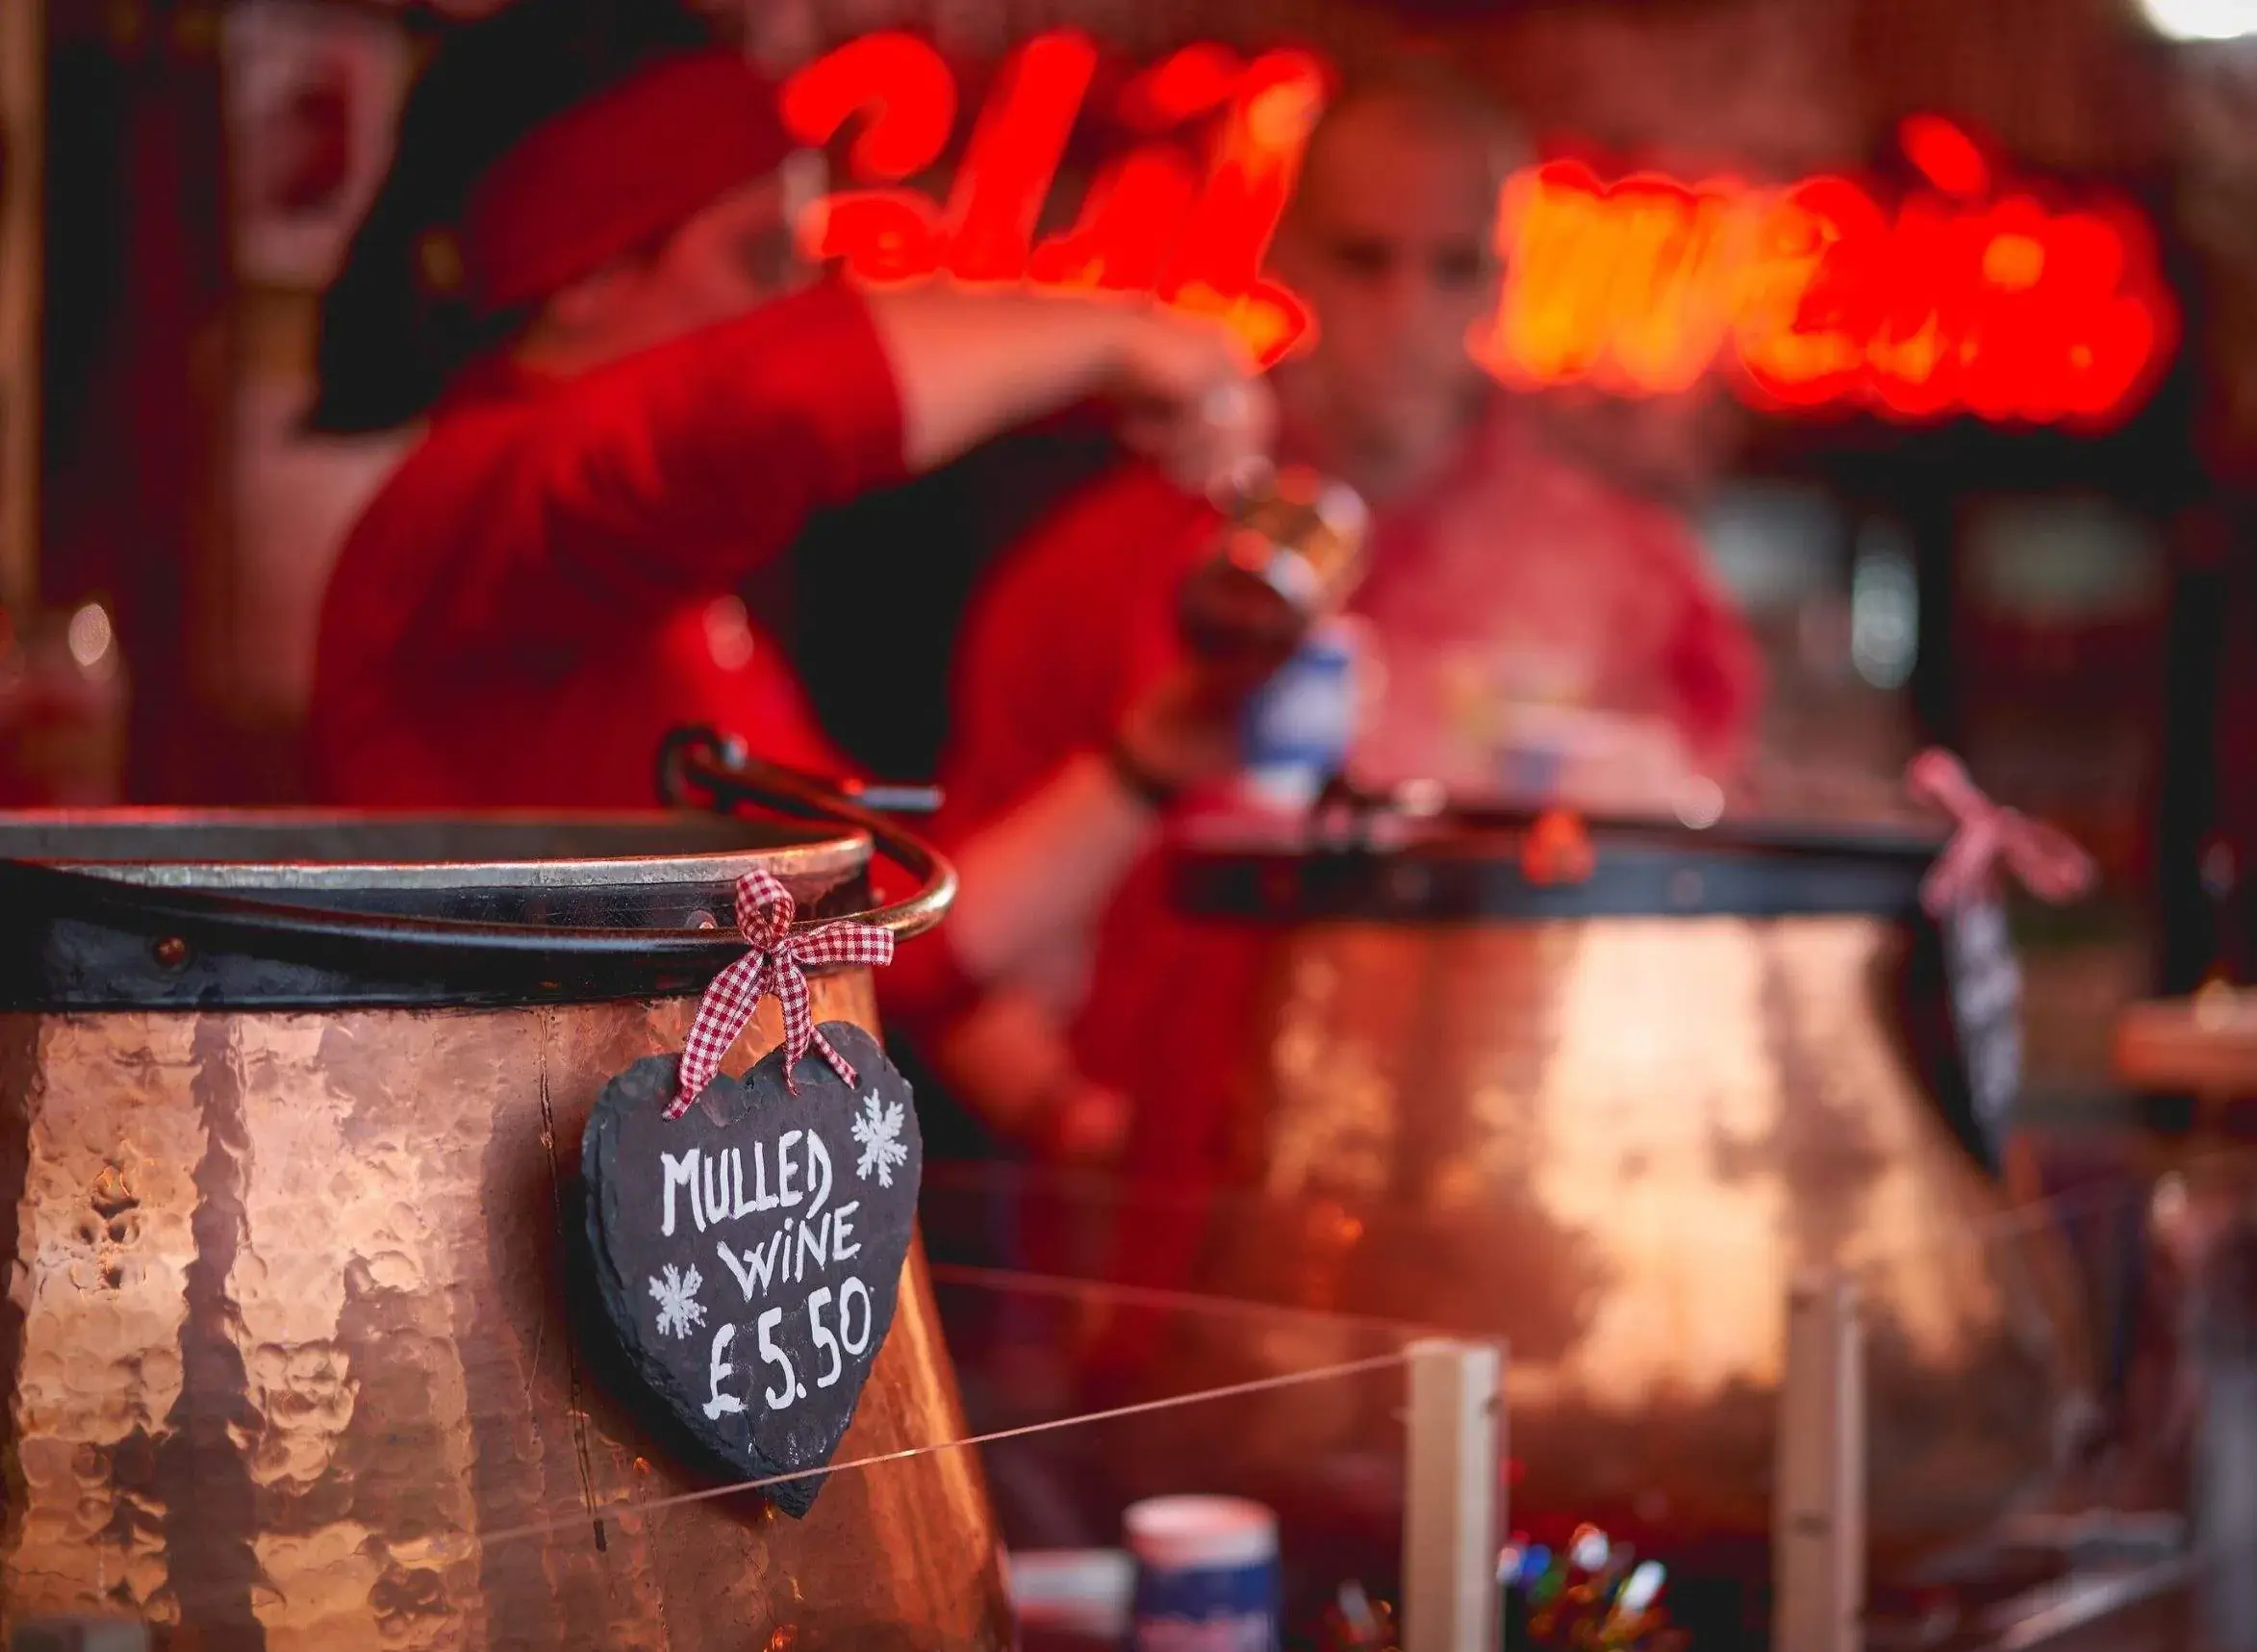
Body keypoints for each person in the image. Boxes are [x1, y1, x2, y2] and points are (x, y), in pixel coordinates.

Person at [917, 54, 1763, 1169]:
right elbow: (944, 940)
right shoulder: (1105, 565)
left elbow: (1722, 923)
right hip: (1185, 1202)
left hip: (1522, 1173)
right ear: (1286, 258)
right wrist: (1073, 1132)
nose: (1406, 311)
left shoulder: (1629, 576)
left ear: (1504, 281)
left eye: (1451, 266)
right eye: (1366, 260)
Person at [305, 0, 1270, 811]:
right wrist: (1115, 331)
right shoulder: (470, 500)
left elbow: (898, 939)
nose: (786, 312)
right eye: (757, 259)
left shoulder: (660, 604)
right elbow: (772, 400)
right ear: (585, 277)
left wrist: (1148, 760)